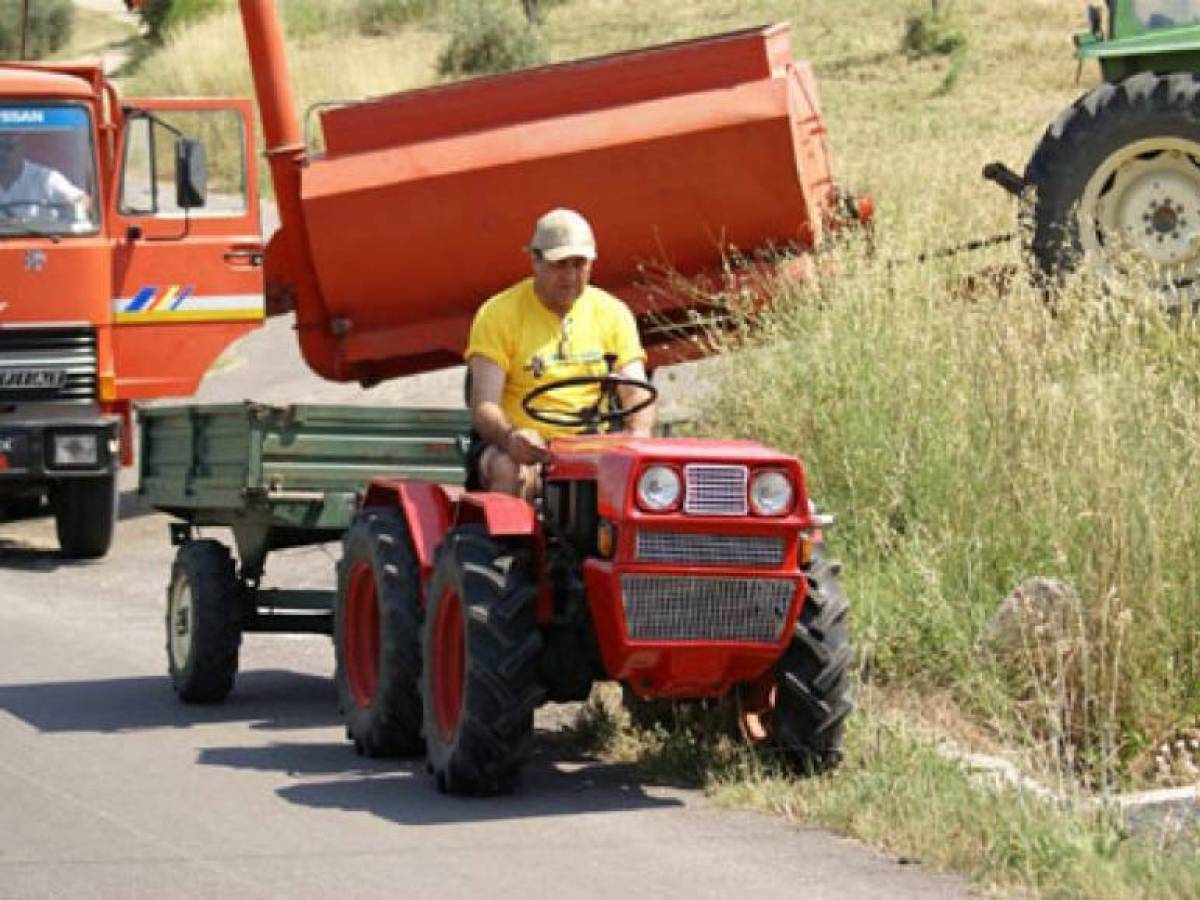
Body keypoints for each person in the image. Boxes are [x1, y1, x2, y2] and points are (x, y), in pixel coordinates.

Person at [465, 208, 656, 497]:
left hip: (590, 446)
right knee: (509, 470)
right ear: (535, 261)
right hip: (518, 447)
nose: (570, 276)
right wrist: (511, 437)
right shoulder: (499, 314)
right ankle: (509, 543)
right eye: (559, 264)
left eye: (579, 264)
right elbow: (484, 406)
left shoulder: (612, 313)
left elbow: (636, 390)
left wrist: (640, 437)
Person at [0, 134, 90, 224]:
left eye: (9, 147)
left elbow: (81, 199)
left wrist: (75, 207)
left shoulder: (46, 178)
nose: (2, 154)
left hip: (42, 237)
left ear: (22, 149)